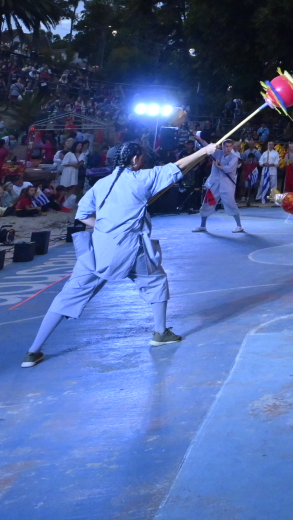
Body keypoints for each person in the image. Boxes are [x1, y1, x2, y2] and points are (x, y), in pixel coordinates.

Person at [22, 136, 218, 367]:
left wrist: (106, 227)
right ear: (136, 159)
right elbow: (178, 166)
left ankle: (33, 351)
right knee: (156, 281)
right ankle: (160, 333)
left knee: (68, 296)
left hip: (98, 250)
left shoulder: (101, 184)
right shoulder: (143, 178)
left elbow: (83, 215)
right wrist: (205, 150)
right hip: (131, 249)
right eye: (142, 160)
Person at [194, 139, 244, 234]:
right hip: (214, 184)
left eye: (230, 146)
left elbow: (228, 169)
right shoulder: (217, 153)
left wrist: (219, 166)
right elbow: (207, 147)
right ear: (223, 146)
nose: (228, 148)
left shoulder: (234, 157)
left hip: (227, 185)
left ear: (232, 147)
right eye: (226, 146)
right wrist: (199, 138)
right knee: (207, 203)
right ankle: (202, 226)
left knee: (231, 204)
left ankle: (239, 226)